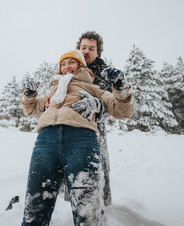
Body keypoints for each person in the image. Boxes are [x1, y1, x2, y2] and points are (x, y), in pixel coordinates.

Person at [20, 50, 134, 225]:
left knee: (87, 213)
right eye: (63, 64)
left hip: (81, 141)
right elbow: (31, 108)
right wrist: (29, 94)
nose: (66, 67)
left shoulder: (93, 88)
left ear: (81, 66)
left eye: (71, 62)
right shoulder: (53, 90)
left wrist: (121, 87)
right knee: (34, 208)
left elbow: (122, 110)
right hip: (45, 142)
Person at [72, 30, 127, 206]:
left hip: (95, 129)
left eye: (91, 48)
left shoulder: (105, 73)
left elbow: (112, 104)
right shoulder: (70, 67)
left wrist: (98, 107)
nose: (86, 51)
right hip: (69, 126)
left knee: (98, 170)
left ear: (98, 52)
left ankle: (101, 208)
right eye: (83, 47)